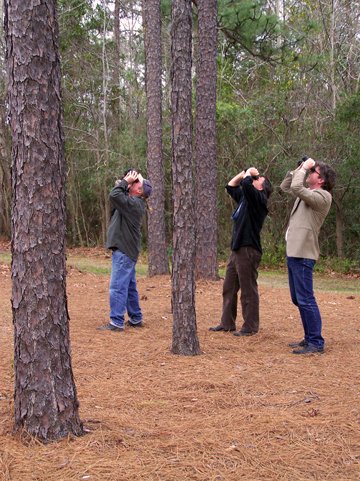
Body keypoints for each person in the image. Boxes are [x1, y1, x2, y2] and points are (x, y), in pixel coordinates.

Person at [280, 157, 336, 354]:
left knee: (306, 298)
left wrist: (304, 168)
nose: (310, 173)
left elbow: (296, 188)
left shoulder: (323, 197)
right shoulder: (308, 193)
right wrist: (299, 168)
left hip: (304, 253)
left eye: (314, 172)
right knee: (298, 298)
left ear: (321, 180)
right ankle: (309, 337)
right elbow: (286, 185)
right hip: (294, 252)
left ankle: (316, 342)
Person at [209, 167, 272, 337]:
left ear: (262, 187)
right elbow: (230, 186)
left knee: (248, 289)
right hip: (237, 249)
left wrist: (249, 174)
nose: (255, 178)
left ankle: (250, 326)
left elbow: (245, 183)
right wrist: (245, 171)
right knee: (229, 287)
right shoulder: (246, 198)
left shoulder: (259, 199)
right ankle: (227, 323)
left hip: (248, 250)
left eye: (259, 179)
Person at [97, 169, 152, 332]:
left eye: (135, 183)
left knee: (118, 286)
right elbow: (115, 201)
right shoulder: (132, 203)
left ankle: (116, 322)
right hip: (127, 250)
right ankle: (135, 318)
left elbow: (114, 195)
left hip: (124, 251)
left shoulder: (134, 204)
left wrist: (124, 183)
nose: (132, 182)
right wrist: (124, 183)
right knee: (129, 286)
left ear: (139, 191)